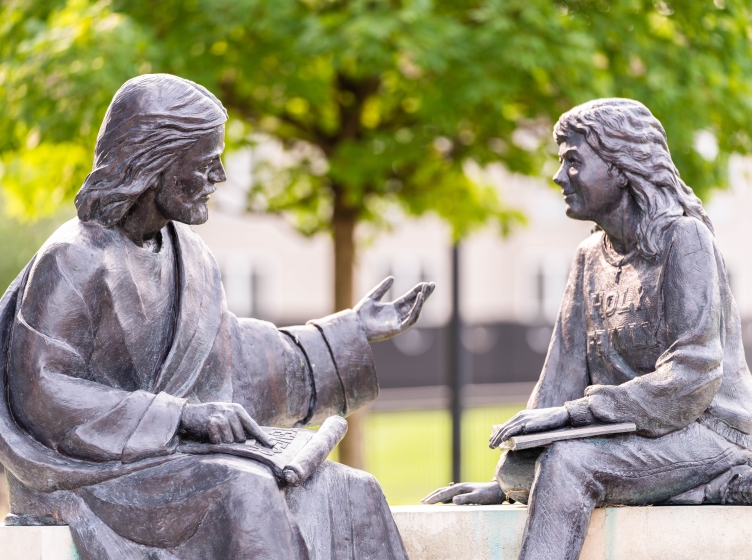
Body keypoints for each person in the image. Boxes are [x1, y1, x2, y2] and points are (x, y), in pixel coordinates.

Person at [0, 74, 434, 560]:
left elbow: (236, 354)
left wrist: (352, 332)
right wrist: (181, 416)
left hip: (167, 460)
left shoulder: (191, 256)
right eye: (207, 162)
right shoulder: (74, 260)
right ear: (154, 164)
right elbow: (41, 389)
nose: (220, 176)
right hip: (91, 471)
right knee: (245, 492)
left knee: (353, 489)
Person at [424, 98, 752, 560]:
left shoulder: (684, 240)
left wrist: (574, 416)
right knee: (524, 471)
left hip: (712, 429)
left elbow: (694, 375)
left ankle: (720, 476)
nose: (559, 176)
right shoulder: (588, 257)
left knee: (567, 464)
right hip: (635, 432)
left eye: (573, 161)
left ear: (621, 167)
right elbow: (559, 376)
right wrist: (506, 480)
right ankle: (697, 486)